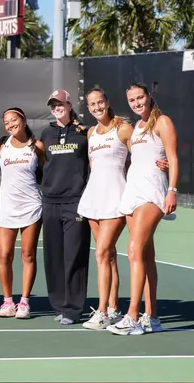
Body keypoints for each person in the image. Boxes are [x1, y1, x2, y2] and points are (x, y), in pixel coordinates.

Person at [108, 83, 177, 335]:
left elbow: (173, 156)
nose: (136, 103)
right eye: (132, 100)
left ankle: (132, 317)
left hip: (152, 193)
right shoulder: (136, 127)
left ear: (149, 97)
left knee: (134, 251)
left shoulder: (163, 122)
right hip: (132, 194)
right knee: (146, 256)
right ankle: (153, 317)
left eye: (140, 97)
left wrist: (172, 189)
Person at [77, 88, 130, 329]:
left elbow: (140, 153)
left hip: (116, 198)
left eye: (100, 102)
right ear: (88, 108)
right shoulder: (90, 133)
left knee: (101, 253)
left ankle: (101, 313)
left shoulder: (123, 128)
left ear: (107, 102)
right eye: (92, 104)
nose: (97, 107)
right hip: (94, 198)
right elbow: (93, 164)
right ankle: (113, 308)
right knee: (108, 256)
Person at [40, 90, 91, 325]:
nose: (57, 108)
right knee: (54, 257)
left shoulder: (84, 133)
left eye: (60, 104)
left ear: (70, 105)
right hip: (50, 201)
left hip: (76, 202)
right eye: (53, 105)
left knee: (74, 255)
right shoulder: (46, 134)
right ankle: (59, 305)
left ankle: (73, 308)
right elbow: (41, 164)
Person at [0, 107, 45, 319]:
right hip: (6, 207)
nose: (10, 124)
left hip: (31, 206)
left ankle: (24, 302)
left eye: (13, 120)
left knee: (28, 254)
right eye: (6, 122)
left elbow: (46, 172)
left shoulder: (37, 146)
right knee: (5, 255)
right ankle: (8, 302)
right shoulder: (2, 145)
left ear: (23, 121)